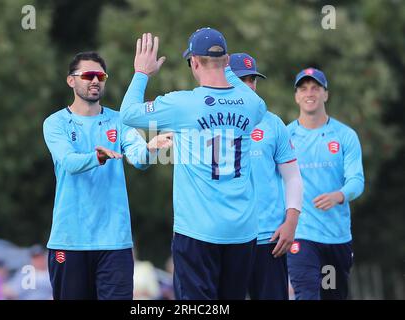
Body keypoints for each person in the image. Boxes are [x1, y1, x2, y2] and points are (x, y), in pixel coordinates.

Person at [120, 28, 267, 299]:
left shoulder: (182, 104)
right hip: (242, 233)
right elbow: (254, 102)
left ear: (194, 62)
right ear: (227, 61)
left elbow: (128, 114)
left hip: (198, 232)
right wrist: (227, 67)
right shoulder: (251, 104)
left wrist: (142, 73)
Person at [42, 51, 172, 300]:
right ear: (71, 81)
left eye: (100, 75)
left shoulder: (119, 121)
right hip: (69, 242)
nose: (95, 80)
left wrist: (150, 148)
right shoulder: (55, 123)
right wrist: (97, 157)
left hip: (115, 244)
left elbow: (138, 159)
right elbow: (69, 162)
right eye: (88, 75)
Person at [229, 53, 303, 300]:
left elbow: (293, 177)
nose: (250, 85)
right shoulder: (215, 122)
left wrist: (291, 222)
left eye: (253, 79)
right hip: (228, 238)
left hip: (269, 239)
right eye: (243, 79)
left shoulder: (274, 124)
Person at [286, 67, 365, 300]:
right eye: (303, 88)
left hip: (336, 237)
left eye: (315, 88)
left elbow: (356, 180)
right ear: (297, 96)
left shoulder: (345, 136)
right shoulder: (285, 136)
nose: (309, 93)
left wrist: (338, 195)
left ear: (325, 94)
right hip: (300, 234)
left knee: (333, 296)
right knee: (307, 295)